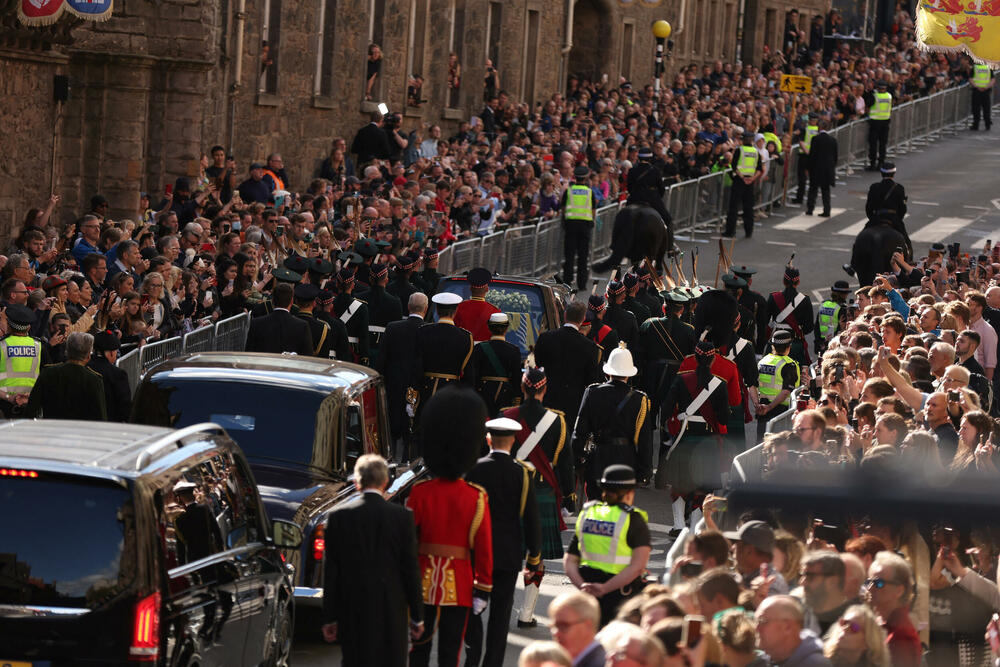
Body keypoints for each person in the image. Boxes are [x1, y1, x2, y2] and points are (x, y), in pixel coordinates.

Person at [407, 387, 493, 667]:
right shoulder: (475, 497)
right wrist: (483, 588)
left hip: (422, 581)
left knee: (418, 650)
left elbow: (408, 542)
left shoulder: (420, 493)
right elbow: (484, 548)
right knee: (450, 654)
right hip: (460, 584)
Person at [321, 454, 423, 666]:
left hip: (352, 607)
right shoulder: (402, 517)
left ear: (357, 482)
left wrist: (329, 617)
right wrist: (417, 615)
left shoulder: (338, 517)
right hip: (391, 607)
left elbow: (331, 572)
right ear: (385, 482)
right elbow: (410, 569)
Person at [464, 417, 542, 667]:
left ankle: (472, 659)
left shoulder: (474, 470)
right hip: (508, 552)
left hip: (476, 552)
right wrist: (534, 557)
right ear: (513, 441)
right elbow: (531, 518)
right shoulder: (522, 473)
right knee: (501, 614)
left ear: (488, 440)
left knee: (473, 609)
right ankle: (493, 662)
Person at [503, 367, 573, 628]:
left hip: (510, 490)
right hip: (541, 492)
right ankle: (526, 613)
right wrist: (569, 496)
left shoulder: (506, 417)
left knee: (507, 551)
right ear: (545, 389)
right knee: (537, 555)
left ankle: (503, 606)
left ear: (523, 388)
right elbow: (565, 464)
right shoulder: (558, 421)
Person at [564, 464, 651, 626]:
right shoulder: (633, 519)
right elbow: (638, 566)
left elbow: (569, 561)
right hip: (620, 597)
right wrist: (604, 588)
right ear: (629, 493)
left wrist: (582, 586)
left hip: (588, 595)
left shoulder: (588, 513)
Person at [572, 343, 653, 497]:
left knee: (595, 506)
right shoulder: (639, 399)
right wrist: (645, 471)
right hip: (626, 461)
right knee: (621, 506)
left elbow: (579, 432)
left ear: (608, 371)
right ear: (629, 374)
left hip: (598, 458)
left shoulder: (592, 392)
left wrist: (577, 460)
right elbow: (644, 441)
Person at [533, 300, 602, 436]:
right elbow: (591, 380)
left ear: (565, 315)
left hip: (548, 398)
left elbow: (539, 363)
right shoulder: (590, 347)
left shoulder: (545, 338)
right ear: (582, 319)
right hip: (574, 404)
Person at [375, 292, 426, 457]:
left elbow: (382, 359)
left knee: (392, 422)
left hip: (394, 383)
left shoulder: (393, 327)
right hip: (418, 385)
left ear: (408, 307)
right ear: (425, 309)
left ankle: (389, 454)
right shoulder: (428, 330)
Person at [24, 332, 107, 421]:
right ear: (88, 356)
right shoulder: (94, 380)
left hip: (51, 427)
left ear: (66, 352)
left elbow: (32, 408)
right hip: (80, 429)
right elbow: (100, 417)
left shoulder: (48, 373)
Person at [865, 551, 921, 667]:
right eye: (868, 582)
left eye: (878, 583)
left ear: (899, 590)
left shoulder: (901, 637)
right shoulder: (880, 623)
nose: (870, 588)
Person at [754, 596, 832, 666]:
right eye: (756, 621)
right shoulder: (760, 663)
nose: (756, 628)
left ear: (787, 627)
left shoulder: (816, 664)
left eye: (762, 621)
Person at [470, 313, 521, 416]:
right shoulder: (514, 350)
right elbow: (516, 378)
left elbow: (474, 375)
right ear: (506, 328)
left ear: (489, 328)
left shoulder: (479, 348)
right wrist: (517, 398)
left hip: (483, 395)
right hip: (505, 396)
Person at [244, 282, 313, 355]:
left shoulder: (256, 323)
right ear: (291, 302)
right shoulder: (302, 326)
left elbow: (249, 353)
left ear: (272, 301)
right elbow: (307, 356)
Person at [0, 304, 42, 418]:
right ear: (28, 328)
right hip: (31, 405)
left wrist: (10, 398)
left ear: (8, 326)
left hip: (4, 406)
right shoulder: (39, 345)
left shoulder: (1, 345)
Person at [767, 265, 814, 366]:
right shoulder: (805, 300)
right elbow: (809, 327)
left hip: (776, 343)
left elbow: (764, 322)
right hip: (795, 344)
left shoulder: (773, 297)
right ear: (798, 282)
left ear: (784, 281)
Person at [547, 591, 605, 667]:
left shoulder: (600, 663)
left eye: (564, 626)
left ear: (587, 626)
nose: (556, 633)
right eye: (554, 626)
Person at [561, 165, 596, 290]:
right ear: (586, 178)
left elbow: (563, 208)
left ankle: (567, 282)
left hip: (571, 225)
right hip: (585, 226)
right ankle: (582, 284)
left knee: (569, 255)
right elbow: (593, 210)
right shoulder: (590, 192)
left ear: (575, 177)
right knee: (583, 256)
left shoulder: (568, 191)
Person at [822, 604, 890, 667]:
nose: (845, 628)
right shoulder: (821, 661)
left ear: (867, 643)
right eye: (844, 623)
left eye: (854, 627)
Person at [725, 132, 763, 239]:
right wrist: (752, 179)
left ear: (743, 140)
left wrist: (742, 177)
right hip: (750, 182)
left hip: (739, 180)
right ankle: (749, 231)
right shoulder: (756, 152)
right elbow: (759, 169)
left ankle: (730, 231)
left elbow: (734, 166)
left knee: (733, 207)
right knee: (748, 208)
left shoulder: (739, 150)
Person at [87, 330, 132, 422]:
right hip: (109, 423)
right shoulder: (118, 374)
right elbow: (124, 405)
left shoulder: (85, 367)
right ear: (111, 353)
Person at [626, 146, 672, 228]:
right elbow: (661, 188)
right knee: (667, 219)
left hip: (635, 198)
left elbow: (629, 188)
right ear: (650, 159)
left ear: (639, 158)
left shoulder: (632, 170)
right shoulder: (655, 170)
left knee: (623, 217)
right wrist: (657, 197)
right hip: (652, 198)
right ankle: (669, 235)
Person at [454, 267, 501, 342]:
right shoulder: (495, 311)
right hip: (484, 349)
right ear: (487, 289)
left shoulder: (458, 308)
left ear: (470, 289)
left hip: (463, 348)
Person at [806, 118, 838, 217]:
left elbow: (812, 155)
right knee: (826, 190)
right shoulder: (833, 140)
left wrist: (808, 167)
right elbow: (835, 156)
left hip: (816, 168)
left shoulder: (815, 139)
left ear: (819, 128)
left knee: (813, 189)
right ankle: (827, 210)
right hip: (828, 169)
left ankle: (810, 209)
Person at [292, 283, 331, 358]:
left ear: (296, 302)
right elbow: (324, 357)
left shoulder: (289, 323)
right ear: (314, 303)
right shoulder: (323, 328)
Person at [815, 281, 851, 355]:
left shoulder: (824, 304)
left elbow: (816, 325)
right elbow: (843, 328)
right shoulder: (842, 308)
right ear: (844, 294)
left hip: (821, 342)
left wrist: (819, 342)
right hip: (834, 343)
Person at [793, 113, 819, 205]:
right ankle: (812, 199)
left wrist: (808, 153)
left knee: (802, 178)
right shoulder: (818, 130)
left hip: (805, 156)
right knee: (813, 178)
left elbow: (801, 142)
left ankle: (799, 198)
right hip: (814, 157)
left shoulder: (805, 129)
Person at [866, 80, 892, 171]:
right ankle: (881, 163)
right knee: (882, 144)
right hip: (885, 122)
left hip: (875, 122)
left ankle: (873, 163)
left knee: (873, 144)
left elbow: (868, 105)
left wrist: (870, 92)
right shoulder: (889, 96)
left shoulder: (874, 96)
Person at [970, 61, 993, 131]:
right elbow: (992, 79)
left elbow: (971, 79)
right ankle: (987, 124)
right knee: (986, 108)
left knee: (976, 109)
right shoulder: (989, 67)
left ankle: (976, 125)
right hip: (986, 91)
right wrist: (986, 87)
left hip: (977, 91)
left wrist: (977, 87)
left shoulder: (975, 68)